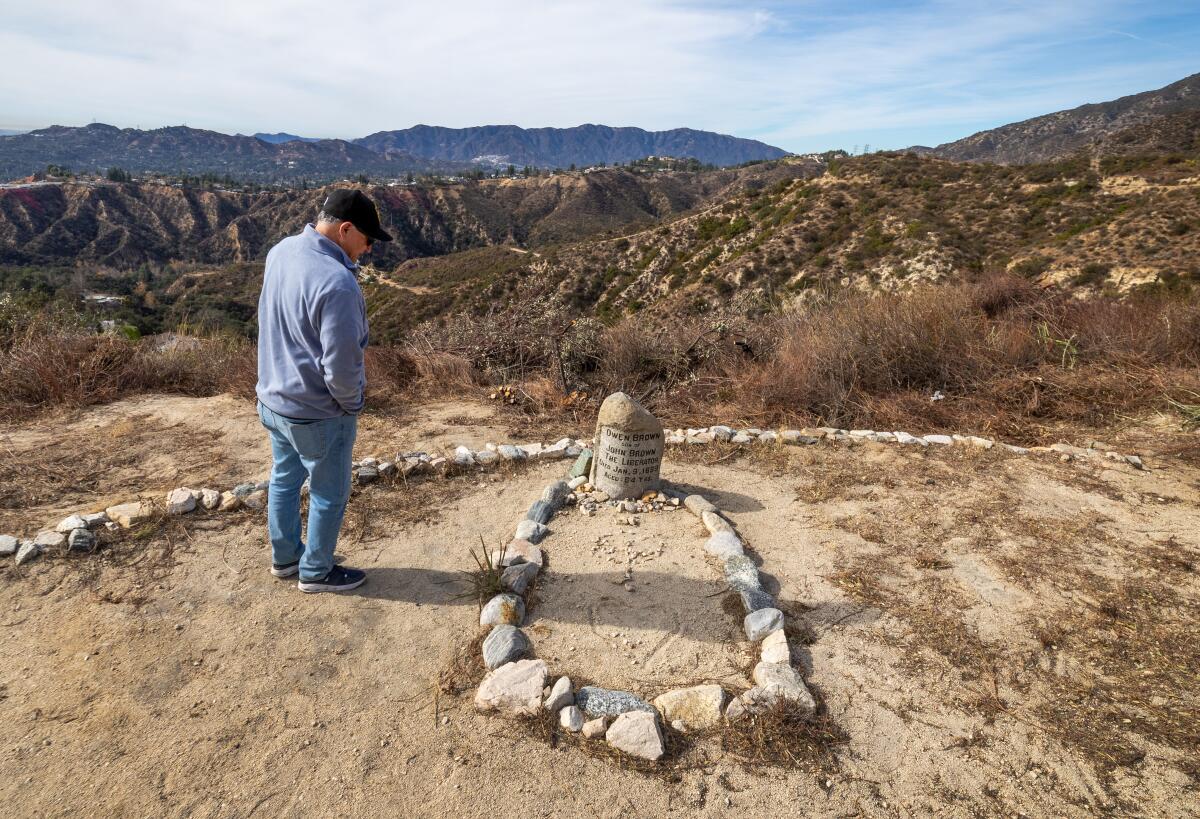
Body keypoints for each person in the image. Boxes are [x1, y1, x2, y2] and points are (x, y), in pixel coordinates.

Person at [255, 189, 392, 592]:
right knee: (329, 493)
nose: (367, 250)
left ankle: (286, 558)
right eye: (367, 241)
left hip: (273, 398)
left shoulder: (280, 251)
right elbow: (342, 366)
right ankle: (316, 571)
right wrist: (352, 405)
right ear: (346, 229)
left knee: (283, 478)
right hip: (316, 409)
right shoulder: (337, 283)